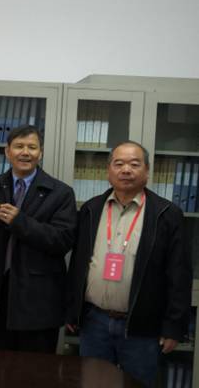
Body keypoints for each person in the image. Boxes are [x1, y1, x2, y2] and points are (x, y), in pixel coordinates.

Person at [66, 141, 191, 387]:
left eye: (134, 164)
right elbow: (78, 264)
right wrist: (72, 309)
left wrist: (173, 327)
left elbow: (179, 275)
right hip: (95, 322)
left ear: (147, 171)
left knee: (138, 384)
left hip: (142, 327)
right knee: (93, 383)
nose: (126, 170)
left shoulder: (167, 214)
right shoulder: (91, 208)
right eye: (119, 163)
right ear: (108, 170)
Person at [0, 125, 77, 353]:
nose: (25, 152)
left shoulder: (60, 193)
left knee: (35, 369)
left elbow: (62, 240)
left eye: (32, 147)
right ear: (7, 151)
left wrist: (20, 221)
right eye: (19, 146)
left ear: (40, 153)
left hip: (38, 301)